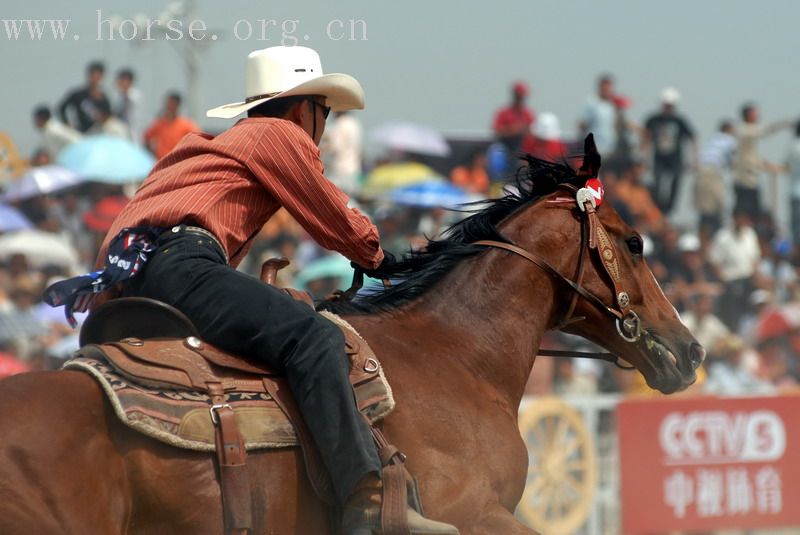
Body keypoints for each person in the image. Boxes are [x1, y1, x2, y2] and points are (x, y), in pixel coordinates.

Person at [45, 45, 458, 535]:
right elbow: (331, 215)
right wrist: (385, 260)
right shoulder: (280, 133)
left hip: (132, 282)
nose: (321, 125)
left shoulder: (201, 148)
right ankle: (366, 500)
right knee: (315, 338)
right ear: (304, 108)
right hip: (184, 266)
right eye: (323, 111)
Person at [732, 102, 794, 220]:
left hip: (751, 178)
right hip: (745, 179)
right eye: (754, 113)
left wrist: (767, 165)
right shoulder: (744, 130)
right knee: (744, 211)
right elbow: (765, 130)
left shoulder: (748, 132)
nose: (757, 116)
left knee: (754, 212)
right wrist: (783, 124)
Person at [642, 87, 698, 215]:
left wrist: (694, 159)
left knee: (677, 179)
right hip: (659, 158)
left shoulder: (679, 121)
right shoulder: (654, 120)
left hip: (675, 159)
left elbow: (692, 137)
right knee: (657, 181)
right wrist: (644, 158)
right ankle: (658, 206)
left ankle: (669, 208)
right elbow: (645, 138)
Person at [695, 120, 737, 235]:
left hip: (701, 173)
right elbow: (734, 159)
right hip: (712, 173)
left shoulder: (713, 139)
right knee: (716, 207)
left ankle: (705, 234)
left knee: (706, 209)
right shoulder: (728, 139)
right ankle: (714, 233)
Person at [143, 92, 201, 160]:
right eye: (168, 104)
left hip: (177, 162)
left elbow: (199, 138)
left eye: (172, 104)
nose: (169, 107)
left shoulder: (186, 124)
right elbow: (146, 137)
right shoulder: (159, 123)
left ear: (178, 105)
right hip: (161, 162)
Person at [57, 61, 110, 133]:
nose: (95, 79)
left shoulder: (104, 98)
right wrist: (67, 123)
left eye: (98, 76)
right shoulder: (78, 94)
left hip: (97, 133)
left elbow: (108, 116)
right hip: (80, 132)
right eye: (93, 75)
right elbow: (61, 108)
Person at [320, 110, 363, 195]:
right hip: (354, 169)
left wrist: (317, 152)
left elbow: (335, 147)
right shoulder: (354, 123)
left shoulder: (340, 124)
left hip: (340, 170)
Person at [578, 73, 617, 156]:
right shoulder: (592, 102)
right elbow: (582, 124)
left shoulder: (613, 105)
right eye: (604, 87)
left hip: (610, 146)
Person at [492, 81, 535, 153]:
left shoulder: (528, 114)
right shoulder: (504, 112)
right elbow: (496, 131)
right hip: (506, 147)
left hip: (523, 148)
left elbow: (533, 132)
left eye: (522, 97)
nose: (521, 99)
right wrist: (513, 130)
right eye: (519, 96)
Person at [114, 68, 143, 142]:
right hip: (121, 132)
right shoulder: (118, 96)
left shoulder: (135, 95)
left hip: (133, 131)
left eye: (123, 81)